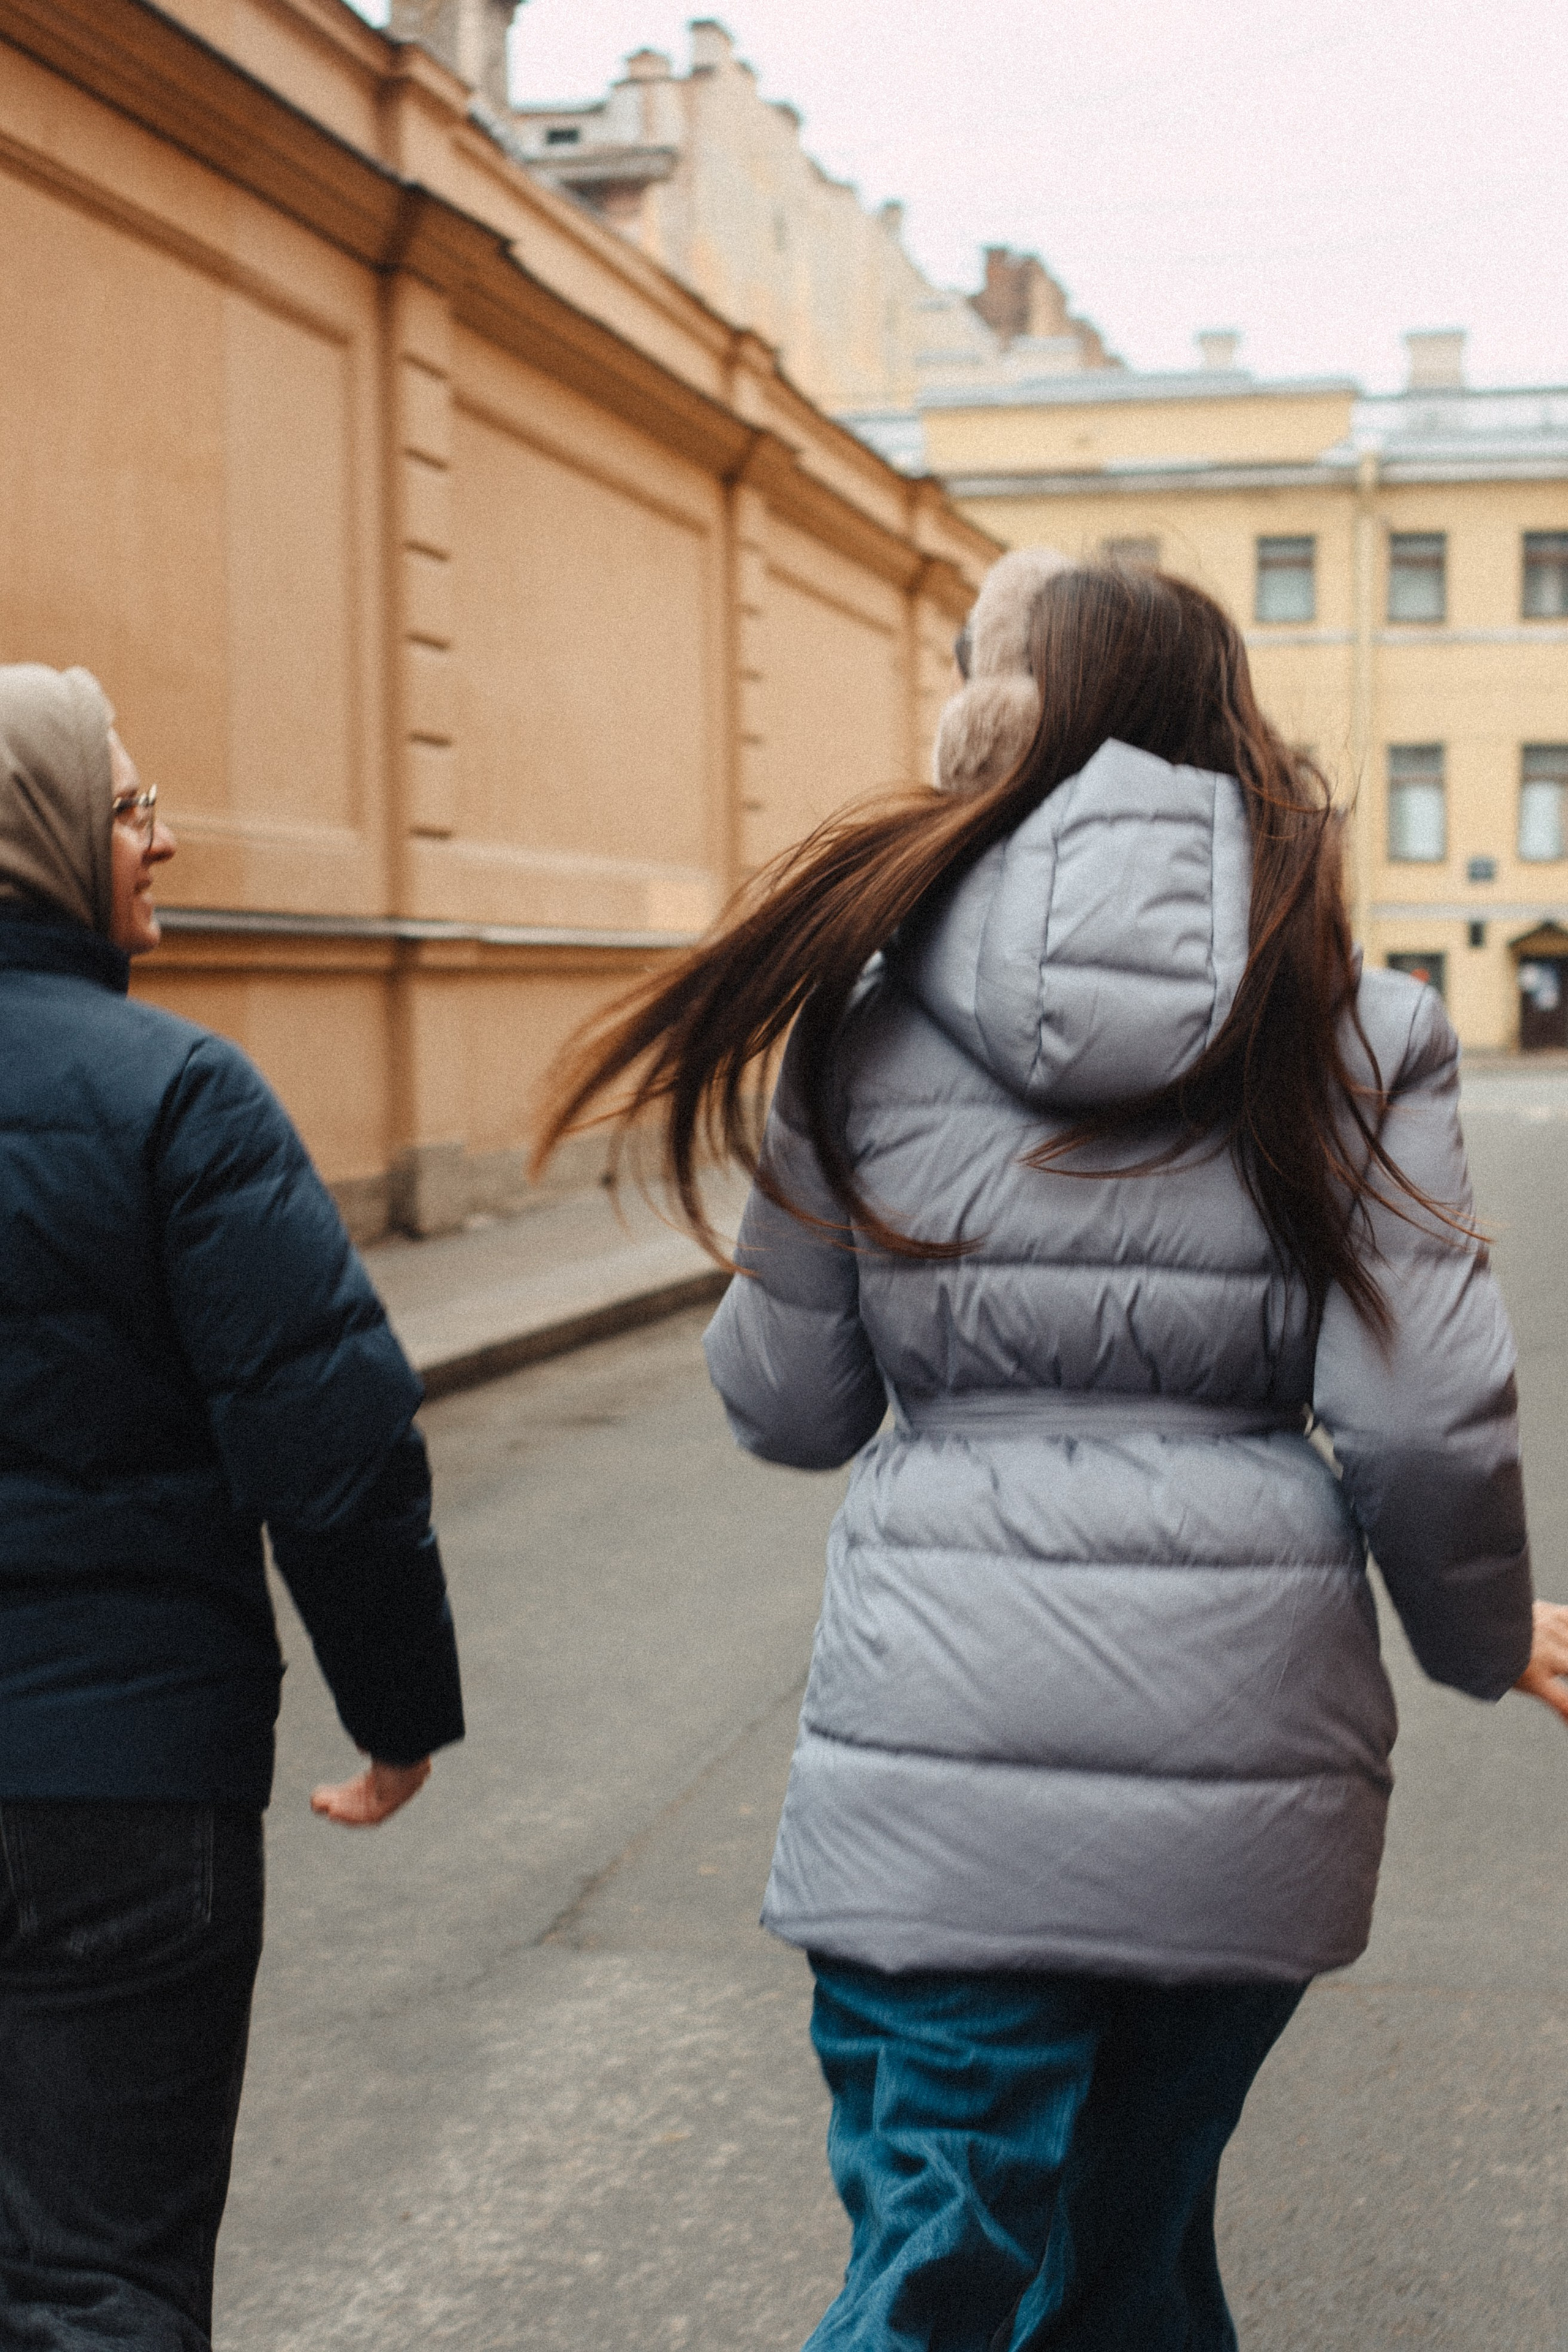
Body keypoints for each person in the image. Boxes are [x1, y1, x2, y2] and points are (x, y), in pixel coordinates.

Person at [536, 553, 1568, 2350]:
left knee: (947, 2274)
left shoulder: (858, 1025)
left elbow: (788, 1407)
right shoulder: (1357, 1026)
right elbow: (1420, 1416)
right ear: (1227, 722)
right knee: (1127, 2267)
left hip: (934, 1790)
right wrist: (1484, 1633)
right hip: (1245, 1786)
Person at [0, 665, 464, 2349]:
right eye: (129, 809)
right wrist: (398, 1708)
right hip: (125, 1797)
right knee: (98, 2282)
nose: (168, 840)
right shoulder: (180, 1100)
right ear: (42, 843)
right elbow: (333, 1447)